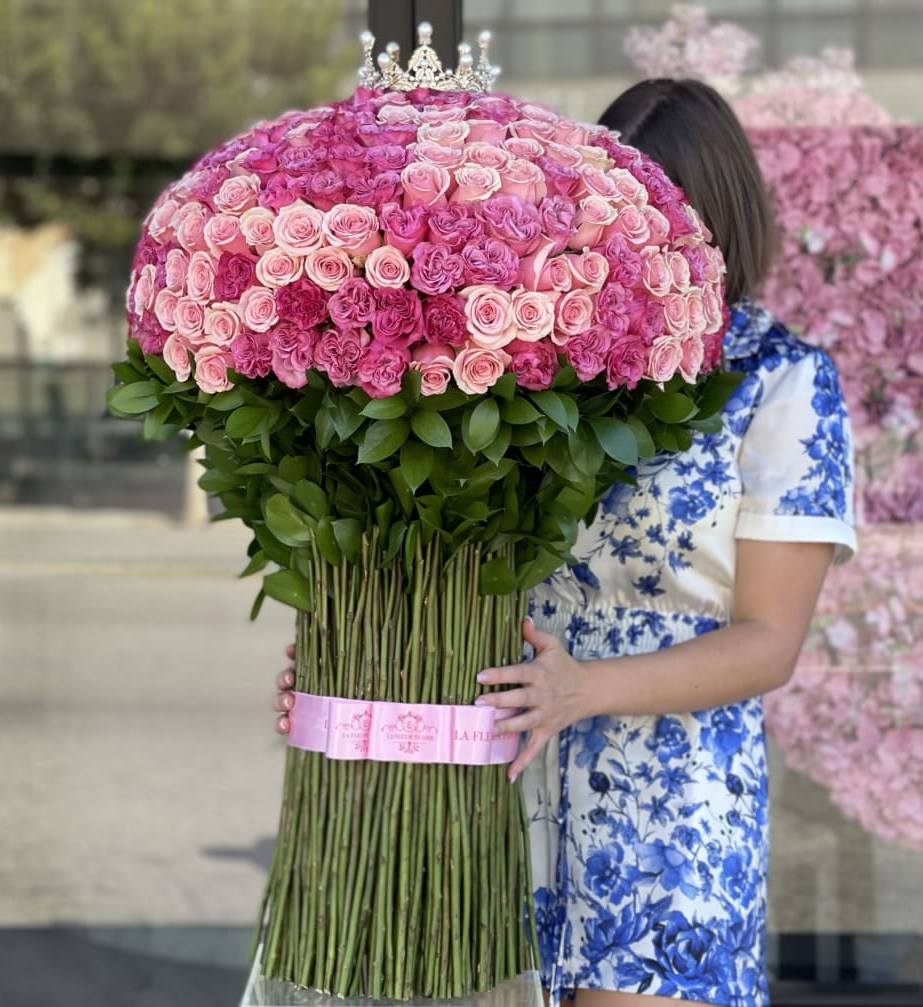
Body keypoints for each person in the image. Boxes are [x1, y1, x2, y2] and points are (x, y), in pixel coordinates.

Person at [273, 78, 857, 1007]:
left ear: (713, 218)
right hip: (503, 788)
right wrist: (363, 666)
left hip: (673, 814)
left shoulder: (780, 381)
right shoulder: (541, 363)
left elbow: (768, 641)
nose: (626, 242)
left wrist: (582, 689)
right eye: (603, 209)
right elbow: (457, 561)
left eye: (655, 215)